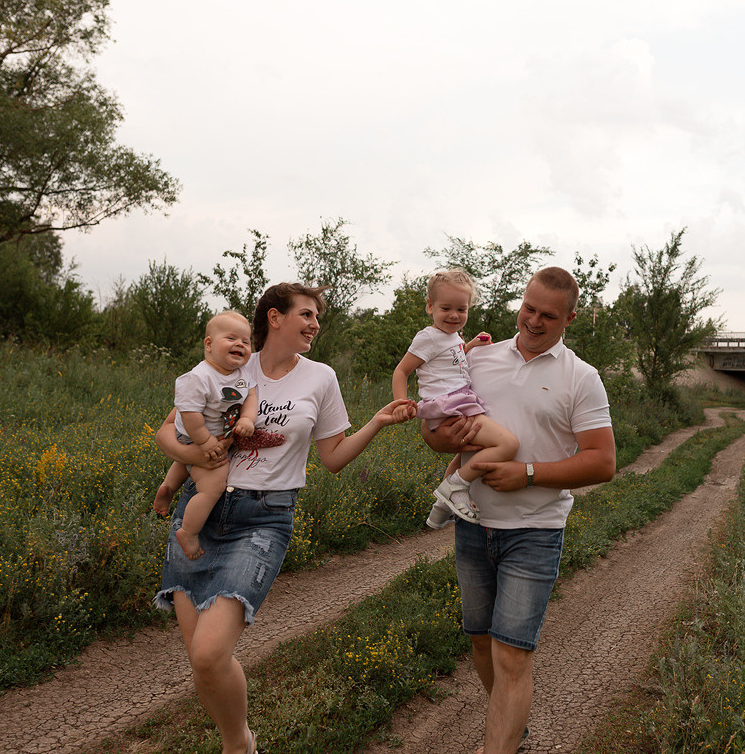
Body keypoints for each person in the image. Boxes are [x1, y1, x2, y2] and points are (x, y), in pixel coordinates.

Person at [153, 282, 416, 754]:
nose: (316, 324)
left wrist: (375, 422)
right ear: (274, 317)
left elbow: (332, 458)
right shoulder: (231, 362)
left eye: (318, 317)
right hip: (202, 508)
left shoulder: (321, 378)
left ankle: (239, 747)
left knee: (211, 653)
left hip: (263, 518)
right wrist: (187, 462)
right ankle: (242, 743)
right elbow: (168, 431)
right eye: (308, 314)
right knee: (201, 660)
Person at [424, 267, 616, 754]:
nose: (533, 320)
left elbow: (603, 462)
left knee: (512, 655)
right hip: (472, 525)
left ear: (570, 318)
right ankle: (512, 727)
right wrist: (447, 439)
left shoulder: (582, 378)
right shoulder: (478, 359)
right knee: (482, 643)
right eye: (528, 308)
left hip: (535, 532)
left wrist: (527, 473)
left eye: (547, 315)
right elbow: (435, 432)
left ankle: (501, 743)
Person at [392, 269, 519, 528]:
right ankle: (455, 486)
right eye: (445, 308)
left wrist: (471, 345)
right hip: (449, 404)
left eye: (461, 309)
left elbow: (452, 357)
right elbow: (402, 371)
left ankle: (440, 507)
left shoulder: (452, 337)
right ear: (430, 306)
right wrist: (401, 404)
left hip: (456, 401)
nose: (454, 315)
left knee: (470, 456)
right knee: (508, 444)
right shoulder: (427, 337)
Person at [152, 311, 258, 560]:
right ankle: (188, 532)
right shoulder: (198, 377)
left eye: (245, 341)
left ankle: (167, 487)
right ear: (209, 344)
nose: (240, 344)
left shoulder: (242, 375)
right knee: (213, 486)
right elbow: (189, 414)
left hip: (206, 434)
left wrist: (247, 419)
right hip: (194, 434)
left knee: (184, 462)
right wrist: (205, 441)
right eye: (231, 338)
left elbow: (251, 396)